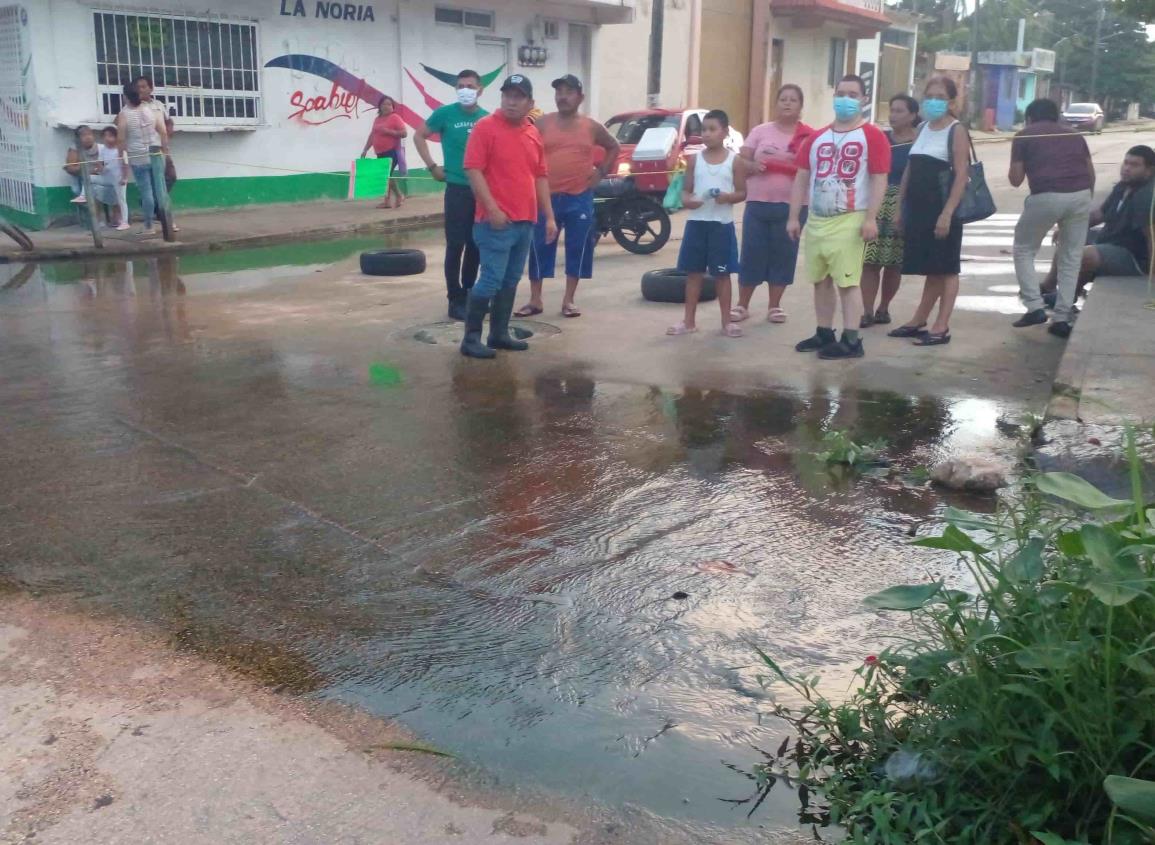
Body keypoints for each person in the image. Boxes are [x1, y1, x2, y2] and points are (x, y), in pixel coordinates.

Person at [788, 75, 890, 359]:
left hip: (850, 217)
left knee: (847, 281)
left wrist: (871, 218)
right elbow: (801, 178)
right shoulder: (816, 138)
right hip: (818, 219)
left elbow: (879, 179)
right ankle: (824, 332)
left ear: (863, 99)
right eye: (841, 93)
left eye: (853, 94)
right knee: (820, 279)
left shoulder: (872, 136)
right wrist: (794, 216)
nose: (845, 99)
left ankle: (852, 339)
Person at [460, 74, 557, 359]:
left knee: (511, 279)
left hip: (525, 222)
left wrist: (549, 217)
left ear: (530, 103)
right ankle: (471, 338)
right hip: (495, 223)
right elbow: (472, 169)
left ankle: (499, 333)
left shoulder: (531, 132)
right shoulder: (485, 128)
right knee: (490, 279)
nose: (512, 101)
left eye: (518, 96)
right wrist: (491, 209)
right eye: (508, 95)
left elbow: (540, 176)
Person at [517, 74, 620, 319]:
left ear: (580, 97)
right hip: (545, 197)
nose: (562, 96)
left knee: (579, 247)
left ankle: (569, 300)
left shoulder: (592, 126)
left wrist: (600, 172)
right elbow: (524, 149)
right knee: (539, 246)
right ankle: (535, 299)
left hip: (579, 196)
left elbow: (613, 146)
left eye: (568, 92)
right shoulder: (541, 124)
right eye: (559, 92)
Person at [889, 77, 970, 347]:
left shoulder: (956, 130)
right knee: (931, 267)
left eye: (939, 96)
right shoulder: (923, 127)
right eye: (929, 95)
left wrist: (947, 213)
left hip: (943, 208)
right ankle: (919, 320)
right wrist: (900, 207)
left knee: (947, 268)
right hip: (919, 209)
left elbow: (961, 175)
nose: (933, 101)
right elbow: (911, 169)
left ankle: (941, 325)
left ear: (950, 101)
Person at [1007, 98, 1095, 339]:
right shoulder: (1075, 136)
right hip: (1081, 195)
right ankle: (1062, 319)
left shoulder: (1025, 135)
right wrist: (1083, 203)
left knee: (1024, 249)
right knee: (1071, 257)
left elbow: (1015, 179)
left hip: (1045, 195)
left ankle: (1034, 307)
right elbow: (1090, 172)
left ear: (1030, 118)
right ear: (1056, 116)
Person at [1039, 144, 1155, 316]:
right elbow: (1100, 214)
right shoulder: (1123, 186)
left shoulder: (1147, 196)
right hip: (1112, 241)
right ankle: (1051, 288)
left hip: (1133, 257)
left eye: (1134, 165)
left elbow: (1151, 238)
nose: (1127, 169)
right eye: (1126, 163)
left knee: (1083, 255)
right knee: (1070, 237)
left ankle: (1061, 298)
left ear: (1149, 170)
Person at [732, 84, 813, 325]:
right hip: (758, 204)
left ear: (800, 106)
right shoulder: (760, 131)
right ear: (776, 103)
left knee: (784, 255)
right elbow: (740, 160)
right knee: (751, 253)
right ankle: (742, 305)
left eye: (793, 100)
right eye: (783, 99)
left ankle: (774, 306)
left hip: (793, 209)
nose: (787, 103)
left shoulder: (809, 136)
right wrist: (752, 166)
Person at [414, 69, 488, 321]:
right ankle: (454, 299)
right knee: (455, 245)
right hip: (456, 189)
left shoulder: (487, 119)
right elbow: (419, 135)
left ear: (480, 90)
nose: (465, 89)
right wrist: (432, 167)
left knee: (475, 245)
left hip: (481, 191)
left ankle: (469, 293)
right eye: (460, 86)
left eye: (470, 85)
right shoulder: (445, 114)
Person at [666, 109, 747, 337]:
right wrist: (688, 201)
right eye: (704, 129)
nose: (707, 134)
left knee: (722, 275)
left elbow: (742, 193)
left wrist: (727, 197)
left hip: (721, 225)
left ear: (725, 132)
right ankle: (688, 321)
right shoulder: (694, 160)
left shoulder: (735, 161)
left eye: (713, 129)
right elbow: (686, 191)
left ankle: (726, 322)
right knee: (693, 274)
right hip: (696, 225)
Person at [860, 94, 920, 327]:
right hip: (875, 203)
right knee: (870, 260)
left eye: (899, 111)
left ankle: (883, 308)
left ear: (913, 115)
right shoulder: (880, 138)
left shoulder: (919, 142)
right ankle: (866, 311)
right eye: (891, 110)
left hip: (902, 204)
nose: (893, 115)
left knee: (894, 263)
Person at [116, 83, 168, 239]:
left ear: (125, 96)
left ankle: (149, 226)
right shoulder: (151, 109)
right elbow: (163, 132)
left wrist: (121, 157)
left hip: (137, 157)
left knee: (147, 192)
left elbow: (120, 139)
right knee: (161, 190)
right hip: (156, 154)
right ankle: (168, 222)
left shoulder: (124, 114)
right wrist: (165, 150)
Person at [135, 77, 178, 231]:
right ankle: (160, 214)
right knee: (153, 183)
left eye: (144, 86)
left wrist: (169, 130)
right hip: (146, 151)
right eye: (138, 87)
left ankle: (157, 208)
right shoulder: (134, 107)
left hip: (162, 148)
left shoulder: (158, 105)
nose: (141, 90)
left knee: (170, 177)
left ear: (151, 88)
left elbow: (168, 120)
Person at [360, 96, 407, 209]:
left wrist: (389, 131)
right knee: (387, 176)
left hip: (392, 151)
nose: (386, 106)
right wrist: (365, 149)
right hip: (380, 152)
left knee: (385, 176)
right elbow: (372, 135)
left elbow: (404, 133)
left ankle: (389, 200)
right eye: (384, 104)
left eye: (389, 104)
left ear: (392, 107)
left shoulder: (395, 117)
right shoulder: (377, 119)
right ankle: (398, 196)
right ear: (380, 106)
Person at [62, 125, 106, 206]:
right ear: (78, 138)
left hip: (98, 177)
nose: (88, 137)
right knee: (77, 189)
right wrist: (83, 168)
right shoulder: (74, 149)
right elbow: (70, 168)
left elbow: (106, 166)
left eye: (89, 134)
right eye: (84, 135)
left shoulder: (101, 148)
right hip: (81, 177)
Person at [99, 125, 130, 230]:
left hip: (119, 178)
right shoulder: (102, 149)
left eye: (111, 136)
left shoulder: (120, 149)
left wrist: (125, 178)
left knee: (121, 199)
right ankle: (83, 195)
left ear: (116, 137)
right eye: (105, 136)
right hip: (107, 177)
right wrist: (100, 169)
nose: (107, 138)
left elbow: (126, 164)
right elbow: (100, 164)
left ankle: (125, 221)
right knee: (89, 178)